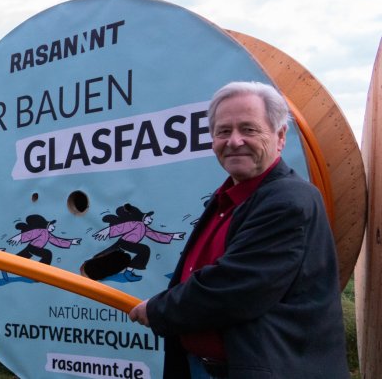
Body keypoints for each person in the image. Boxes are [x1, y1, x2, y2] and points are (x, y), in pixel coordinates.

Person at [128, 81, 348, 378]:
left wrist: (157, 310)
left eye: (249, 129)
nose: (234, 141)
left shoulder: (289, 200)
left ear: (280, 137)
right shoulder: (228, 198)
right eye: (223, 131)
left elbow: (234, 288)